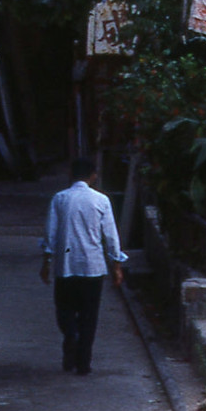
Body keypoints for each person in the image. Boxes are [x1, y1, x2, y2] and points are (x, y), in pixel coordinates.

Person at [40, 157, 127, 377]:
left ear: (71, 174)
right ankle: (83, 363)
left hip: (66, 266)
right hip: (93, 266)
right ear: (93, 176)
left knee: (65, 310)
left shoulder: (60, 199)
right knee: (89, 316)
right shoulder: (101, 200)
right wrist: (116, 265)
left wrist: (46, 262)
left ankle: (71, 336)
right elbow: (110, 235)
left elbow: (50, 234)